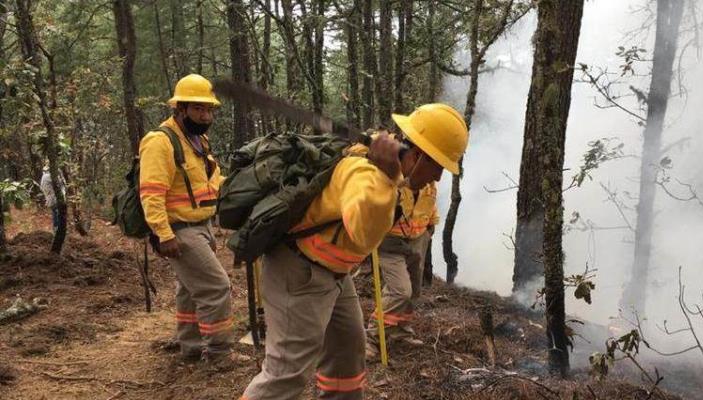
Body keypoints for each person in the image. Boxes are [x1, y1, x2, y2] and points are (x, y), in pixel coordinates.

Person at [240, 103, 469, 400]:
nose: (438, 177)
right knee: (286, 375)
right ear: (417, 155)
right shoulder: (362, 171)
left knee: (347, 352)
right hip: (299, 272)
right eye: (437, 165)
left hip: (333, 273)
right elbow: (364, 230)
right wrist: (386, 180)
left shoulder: (393, 174)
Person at [138, 74, 234, 362]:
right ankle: (219, 353)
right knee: (217, 287)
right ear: (180, 109)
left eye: (208, 110)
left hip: (201, 226)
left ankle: (190, 348)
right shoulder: (160, 142)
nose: (205, 116)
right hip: (180, 229)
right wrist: (164, 234)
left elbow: (211, 183)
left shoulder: (198, 140)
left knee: (191, 290)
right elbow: (151, 193)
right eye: (198, 109)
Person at [366, 168, 439, 347]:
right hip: (390, 243)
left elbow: (430, 205)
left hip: (418, 239)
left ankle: (400, 330)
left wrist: (430, 228)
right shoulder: (392, 180)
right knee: (400, 291)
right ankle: (372, 337)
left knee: (414, 290)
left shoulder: (429, 182)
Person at [39, 166, 65, 232]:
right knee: (57, 214)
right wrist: (61, 174)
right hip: (54, 198)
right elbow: (60, 182)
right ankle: (57, 229)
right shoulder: (47, 176)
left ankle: (56, 228)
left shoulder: (44, 177)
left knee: (55, 213)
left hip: (50, 198)